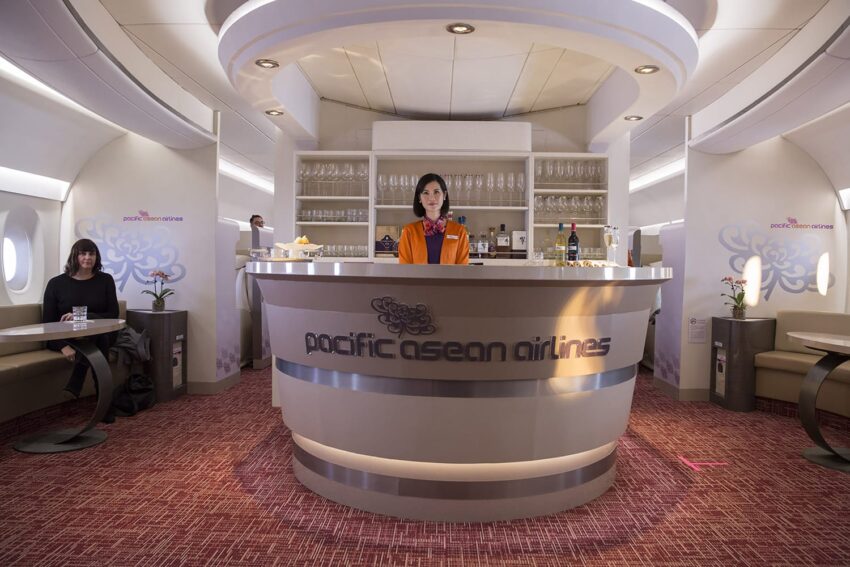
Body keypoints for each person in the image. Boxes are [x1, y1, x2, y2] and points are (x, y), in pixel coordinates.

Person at [42, 238, 119, 399]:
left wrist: (83, 317)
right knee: (100, 341)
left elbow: (113, 314)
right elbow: (48, 323)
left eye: (92, 253)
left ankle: (76, 382)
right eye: (82, 253)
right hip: (66, 337)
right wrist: (63, 346)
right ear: (74, 257)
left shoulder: (105, 280)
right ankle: (105, 401)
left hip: (102, 332)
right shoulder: (56, 284)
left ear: (96, 257)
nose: (88, 257)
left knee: (98, 335)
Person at [398, 173, 469, 265]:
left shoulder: (459, 231)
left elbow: (463, 272)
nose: (431, 198)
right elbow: (404, 272)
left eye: (436, 192)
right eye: (426, 193)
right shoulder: (409, 232)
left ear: (444, 195)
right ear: (419, 197)